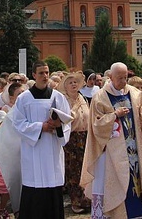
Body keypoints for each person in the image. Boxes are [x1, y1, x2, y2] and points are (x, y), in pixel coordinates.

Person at [80, 62, 142, 219]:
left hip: (134, 150)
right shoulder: (100, 97)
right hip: (111, 153)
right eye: (119, 78)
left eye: (125, 77)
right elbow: (96, 124)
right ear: (110, 77)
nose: (123, 81)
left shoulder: (135, 93)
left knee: (136, 182)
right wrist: (114, 115)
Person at [11, 61, 71, 218]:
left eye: (47, 72)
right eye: (41, 73)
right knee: (34, 190)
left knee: (53, 188)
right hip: (33, 151)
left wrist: (58, 126)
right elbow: (17, 124)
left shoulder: (58, 97)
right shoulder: (24, 99)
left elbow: (67, 124)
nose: (45, 76)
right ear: (33, 75)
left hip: (52, 150)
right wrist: (40, 127)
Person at [58, 71, 91, 214]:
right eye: (70, 82)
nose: (73, 84)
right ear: (65, 86)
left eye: (75, 82)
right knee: (73, 170)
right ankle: (76, 201)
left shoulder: (82, 97)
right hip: (72, 138)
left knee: (85, 168)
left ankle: (86, 198)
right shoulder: (64, 100)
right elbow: (66, 118)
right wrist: (75, 108)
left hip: (85, 136)